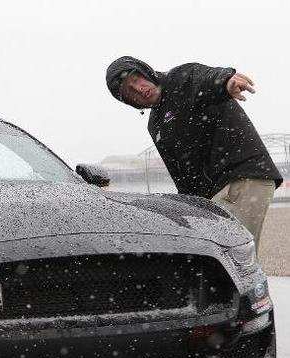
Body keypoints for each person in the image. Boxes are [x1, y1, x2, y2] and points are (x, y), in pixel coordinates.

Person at [105, 56, 282, 250]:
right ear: (129, 102)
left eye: (136, 79)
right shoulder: (155, 124)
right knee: (216, 259)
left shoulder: (182, 78)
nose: (139, 89)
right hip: (213, 194)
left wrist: (227, 82)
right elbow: (182, 176)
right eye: (129, 91)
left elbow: (208, 78)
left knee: (234, 255)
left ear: (145, 71)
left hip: (242, 176)